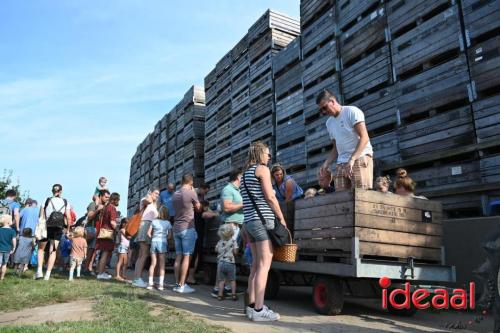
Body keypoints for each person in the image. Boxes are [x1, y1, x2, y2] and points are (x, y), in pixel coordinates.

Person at [240, 141, 285, 321]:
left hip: (249, 222)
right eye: (267, 154)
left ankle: (252, 306)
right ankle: (259, 310)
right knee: (265, 266)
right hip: (262, 222)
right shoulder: (262, 170)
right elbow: (270, 197)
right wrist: (281, 218)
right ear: (260, 154)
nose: (269, 157)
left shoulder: (244, 175)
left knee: (256, 266)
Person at [317, 89, 374, 191]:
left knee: (361, 196)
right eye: (321, 110)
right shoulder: (329, 123)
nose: (324, 112)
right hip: (342, 163)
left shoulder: (351, 111)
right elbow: (336, 148)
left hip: (359, 158)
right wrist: (326, 163)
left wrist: (352, 159)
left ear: (332, 101)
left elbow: (364, 137)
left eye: (324, 107)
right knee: (341, 199)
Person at [172, 173, 201, 294]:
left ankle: (177, 283)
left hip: (176, 228)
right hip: (187, 228)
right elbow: (198, 208)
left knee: (178, 256)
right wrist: (195, 195)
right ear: (191, 182)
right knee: (187, 256)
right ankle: (183, 285)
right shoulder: (191, 192)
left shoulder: (175, 194)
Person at [37, 184, 72, 281]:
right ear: (61, 191)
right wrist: (68, 230)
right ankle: (47, 275)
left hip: (46, 227)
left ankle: (39, 271)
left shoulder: (47, 200)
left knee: (41, 249)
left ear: (52, 191)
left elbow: (41, 215)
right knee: (53, 250)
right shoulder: (65, 202)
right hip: (58, 228)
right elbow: (68, 217)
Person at [132, 188, 160, 288]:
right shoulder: (146, 199)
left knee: (141, 254)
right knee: (144, 254)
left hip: (148, 227)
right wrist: (149, 197)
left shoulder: (153, 204)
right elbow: (145, 201)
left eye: (158, 194)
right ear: (151, 192)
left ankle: (136, 278)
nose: (157, 195)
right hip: (145, 226)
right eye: (156, 193)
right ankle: (137, 279)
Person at [85, 190, 110, 275]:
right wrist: (97, 210)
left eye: (108, 197)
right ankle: (84, 269)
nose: (107, 199)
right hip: (90, 228)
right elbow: (89, 217)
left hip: (97, 230)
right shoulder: (93, 204)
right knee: (88, 250)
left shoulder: (103, 206)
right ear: (100, 196)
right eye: (106, 197)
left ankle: (87, 268)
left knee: (92, 251)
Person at [95, 192, 120, 280]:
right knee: (105, 253)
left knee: (104, 253)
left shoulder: (106, 207)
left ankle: (100, 272)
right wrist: (118, 229)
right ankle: (101, 273)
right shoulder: (112, 208)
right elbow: (113, 222)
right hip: (108, 233)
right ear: (115, 200)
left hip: (103, 232)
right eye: (118, 200)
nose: (119, 202)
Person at [147, 206, 172, 290]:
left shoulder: (154, 221)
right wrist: (165, 238)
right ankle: (161, 285)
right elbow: (169, 236)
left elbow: (148, 233)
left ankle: (150, 284)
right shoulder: (168, 223)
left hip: (154, 242)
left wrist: (153, 238)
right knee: (162, 265)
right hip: (162, 243)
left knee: (153, 263)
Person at [215, 224, 239, 301]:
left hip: (221, 263)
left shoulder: (220, 241)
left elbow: (216, 250)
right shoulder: (233, 241)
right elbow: (235, 252)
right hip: (230, 263)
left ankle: (220, 295)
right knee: (232, 280)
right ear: (232, 233)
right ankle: (233, 295)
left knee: (221, 281)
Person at [0, 215, 16, 280]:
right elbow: (14, 241)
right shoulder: (12, 231)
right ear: (9, 221)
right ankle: (2, 277)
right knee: (4, 264)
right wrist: (14, 248)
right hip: (7, 250)